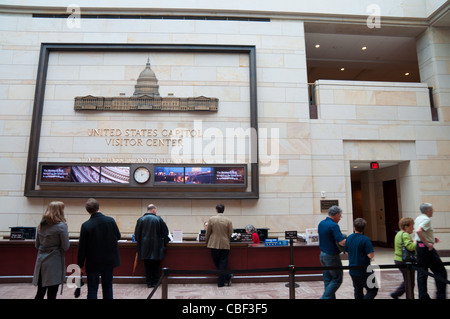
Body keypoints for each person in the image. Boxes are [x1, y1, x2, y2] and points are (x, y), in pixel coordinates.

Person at [77, 198, 121, 299]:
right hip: (109, 260)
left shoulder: (86, 226)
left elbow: (82, 247)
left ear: (87, 210)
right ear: (98, 207)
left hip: (93, 262)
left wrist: (80, 264)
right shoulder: (110, 221)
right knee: (108, 287)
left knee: (92, 288)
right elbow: (118, 236)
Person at [32, 201, 70, 299]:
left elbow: (37, 245)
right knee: (52, 293)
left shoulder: (41, 225)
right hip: (54, 261)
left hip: (41, 261)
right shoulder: (62, 226)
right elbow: (66, 246)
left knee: (40, 292)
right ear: (60, 211)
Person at [414, 202, 447, 299]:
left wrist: (431, 238)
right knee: (440, 271)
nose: (433, 211)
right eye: (432, 209)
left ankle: (423, 296)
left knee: (422, 272)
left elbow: (418, 232)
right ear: (428, 211)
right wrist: (427, 243)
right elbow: (418, 231)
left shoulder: (418, 218)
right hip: (426, 249)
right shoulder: (426, 219)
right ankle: (440, 296)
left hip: (419, 248)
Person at [134, 204, 170, 288]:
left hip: (144, 247)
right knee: (156, 265)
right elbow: (165, 232)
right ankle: (156, 282)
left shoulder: (140, 220)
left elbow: (137, 235)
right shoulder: (159, 219)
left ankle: (149, 282)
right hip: (157, 246)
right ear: (154, 210)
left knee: (147, 265)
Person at [345, 218, 378, 299]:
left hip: (352, 269)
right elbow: (370, 255)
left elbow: (346, 253)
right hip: (364, 270)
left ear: (354, 227)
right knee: (373, 290)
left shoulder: (349, 238)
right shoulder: (365, 239)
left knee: (358, 290)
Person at [317, 205, 346, 299]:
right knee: (337, 279)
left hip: (322, 255)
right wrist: (349, 239)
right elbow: (341, 242)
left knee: (328, 280)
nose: (340, 218)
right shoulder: (334, 225)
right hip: (332, 256)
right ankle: (324, 298)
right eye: (340, 216)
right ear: (336, 214)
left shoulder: (321, 223)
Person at [205, 204, 233, 287]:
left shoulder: (212, 219)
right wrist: (225, 238)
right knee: (223, 263)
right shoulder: (228, 220)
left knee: (217, 261)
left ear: (216, 210)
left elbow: (208, 232)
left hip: (214, 244)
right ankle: (226, 277)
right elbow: (230, 233)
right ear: (223, 210)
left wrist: (207, 241)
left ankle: (223, 280)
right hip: (225, 244)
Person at [391, 217, 416, 299]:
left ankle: (397, 293)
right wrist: (415, 241)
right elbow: (411, 247)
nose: (413, 228)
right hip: (405, 261)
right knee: (410, 282)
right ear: (406, 227)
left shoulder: (398, 234)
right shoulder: (405, 235)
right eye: (412, 226)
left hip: (398, 260)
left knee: (407, 280)